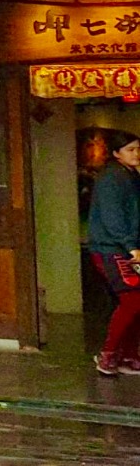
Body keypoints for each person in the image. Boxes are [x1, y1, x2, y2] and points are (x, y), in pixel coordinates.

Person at [86, 133, 140, 377]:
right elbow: (113, 218)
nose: (136, 154)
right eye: (130, 150)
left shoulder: (130, 176)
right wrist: (131, 246)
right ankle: (108, 356)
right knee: (132, 300)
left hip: (126, 248)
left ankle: (128, 356)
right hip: (111, 249)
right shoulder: (111, 178)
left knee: (136, 302)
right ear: (116, 153)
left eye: (138, 149)